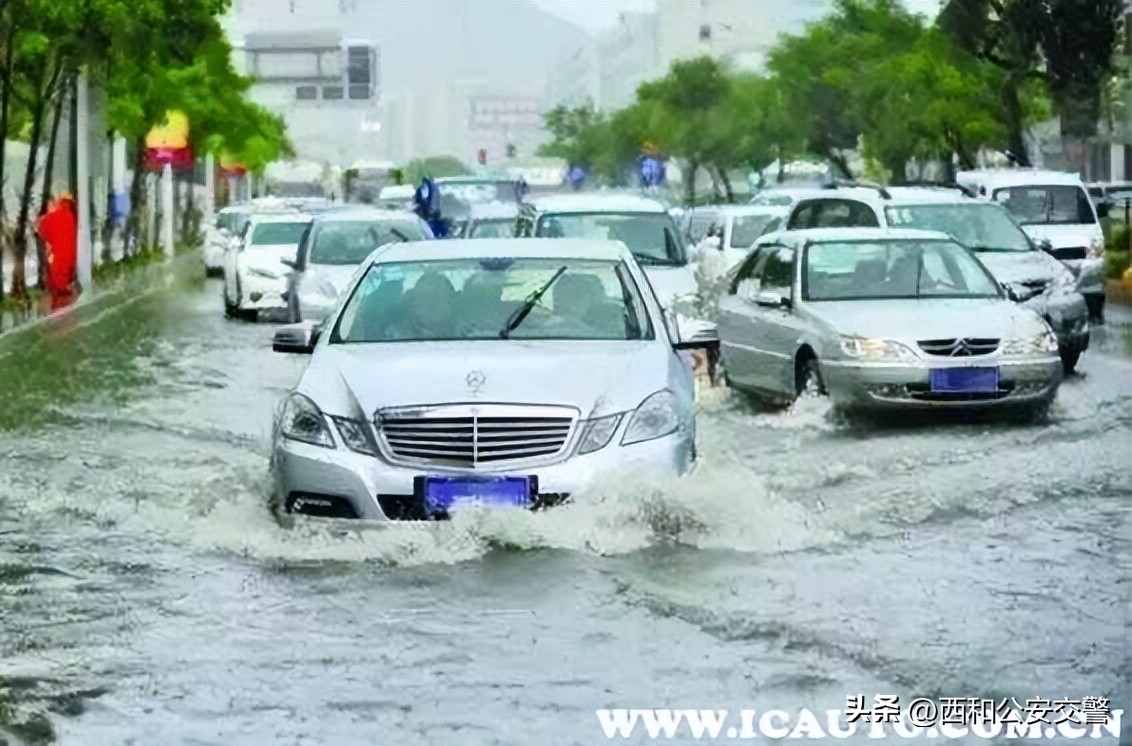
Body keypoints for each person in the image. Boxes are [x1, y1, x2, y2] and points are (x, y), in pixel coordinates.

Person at [36, 194, 79, 311]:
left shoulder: (53, 218)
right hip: (67, 260)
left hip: (56, 260)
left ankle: (58, 313)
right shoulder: (70, 217)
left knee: (57, 289)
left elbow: (42, 231)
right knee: (64, 290)